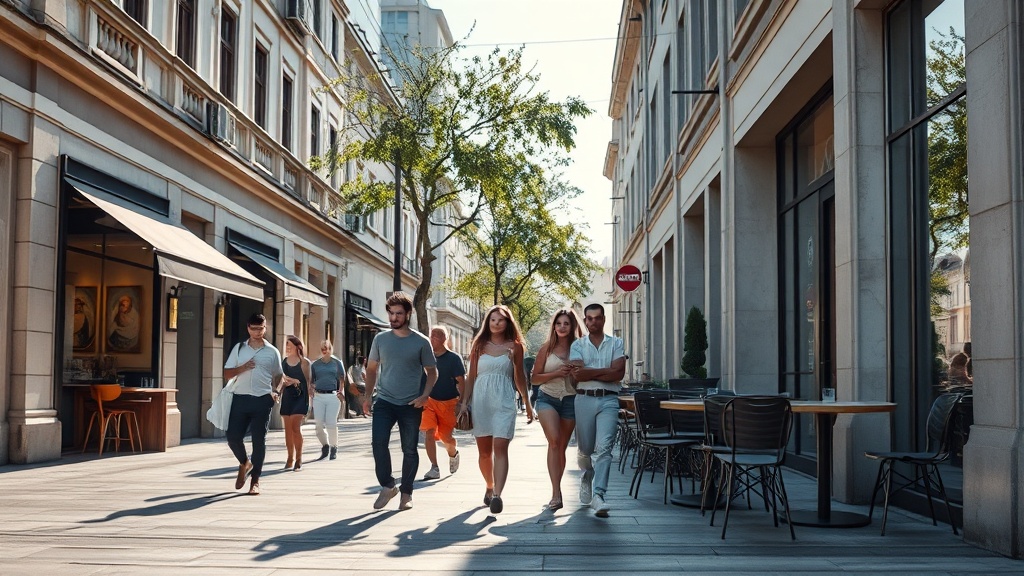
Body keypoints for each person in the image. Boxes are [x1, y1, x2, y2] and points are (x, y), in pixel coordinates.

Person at [363, 292, 438, 511]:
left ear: (408, 314)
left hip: (410, 403)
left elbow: (432, 372)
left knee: (410, 450)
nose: (394, 318)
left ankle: (406, 494)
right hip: (384, 400)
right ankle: (388, 485)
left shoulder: (421, 342)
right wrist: (367, 396)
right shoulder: (380, 339)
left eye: (398, 314)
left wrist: (425, 396)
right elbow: (371, 369)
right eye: (391, 313)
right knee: (378, 444)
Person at [457, 305, 534, 514]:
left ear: (507, 322)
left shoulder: (515, 346)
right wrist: (465, 402)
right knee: (484, 453)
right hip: (481, 401)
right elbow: (471, 376)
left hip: (504, 401)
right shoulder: (479, 345)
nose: (496, 323)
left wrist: (527, 403)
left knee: (501, 448)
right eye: (493, 320)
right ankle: (490, 486)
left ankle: (498, 495)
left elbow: (519, 377)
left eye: (501, 320)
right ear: (487, 322)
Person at [569, 303, 625, 517]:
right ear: (585, 321)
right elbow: (577, 375)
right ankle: (587, 473)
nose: (593, 322)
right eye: (589, 318)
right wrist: (606, 371)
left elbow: (618, 374)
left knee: (604, 448)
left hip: (609, 400)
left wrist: (589, 372)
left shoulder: (616, 343)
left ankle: (599, 495)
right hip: (583, 399)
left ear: (603, 320)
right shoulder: (578, 345)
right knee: (585, 449)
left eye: (597, 318)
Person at [223, 313, 283, 495]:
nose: (258, 332)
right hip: (240, 398)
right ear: (248, 328)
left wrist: (276, 392)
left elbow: (279, 375)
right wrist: (243, 368)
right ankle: (245, 462)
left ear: (265, 328)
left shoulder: (272, 351)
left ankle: (255, 481)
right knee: (233, 437)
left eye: (261, 328)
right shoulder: (239, 349)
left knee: (259, 441)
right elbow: (227, 373)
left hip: (262, 400)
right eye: (254, 328)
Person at [532, 309, 583, 510]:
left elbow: (582, 380)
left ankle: (557, 489)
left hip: (571, 400)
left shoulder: (579, 349)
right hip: (547, 399)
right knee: (554, 441)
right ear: (554, 326)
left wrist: (575, 373)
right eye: (559, 323)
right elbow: (534, 378)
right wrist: (555, 373)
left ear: (572, 327)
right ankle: (556, 493)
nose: (562, 327)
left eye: (566, 324)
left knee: (561, 446)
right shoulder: (546, 349)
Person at [420, 325, 466, 480]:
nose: (431, 339)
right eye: (430, 335)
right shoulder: (426, 357)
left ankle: (453, 454)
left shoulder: (453, 358)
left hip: (449, 402)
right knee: (429, 433)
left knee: (446, 437)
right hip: (429, 401)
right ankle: (434, 468)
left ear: (444, 339)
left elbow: (461, 381)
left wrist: (462, 401)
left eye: (435, 336)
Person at [277, 335, 312, 471]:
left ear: (297, 347)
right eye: (286, 345)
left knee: (295, 428)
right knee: (288, 430)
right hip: (287, 397)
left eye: (289, 345)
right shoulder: (284, 362)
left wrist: (309, 402)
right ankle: (289, 458)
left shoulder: (305, 363)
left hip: (300, 397)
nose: (287, 347)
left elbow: (307, 382)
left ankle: (299, 459)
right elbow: (281, 379)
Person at [310, 340, 347, 461]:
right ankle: (325, 445)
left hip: (332, 395)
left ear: (331, 348)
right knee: (319, 424)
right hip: (319, 396)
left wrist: (340, 391)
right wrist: (311, 389)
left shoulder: (337, 362)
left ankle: (334, 447)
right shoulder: (315, 365)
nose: (325, 350)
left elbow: (342, 378)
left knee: (331, 423)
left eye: (327, 348)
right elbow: (312, 380)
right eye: (323, 349)